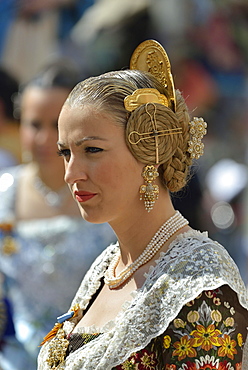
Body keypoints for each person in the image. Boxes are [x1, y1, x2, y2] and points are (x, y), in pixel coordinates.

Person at [38, 40, 248, 370]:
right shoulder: (106, 267)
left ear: (150, 152)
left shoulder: (202, 279)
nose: (71, 174)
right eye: (65, 153)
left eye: (92, 150)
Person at [0, 61, 115, 369]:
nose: (44, 140)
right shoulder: (3, 195)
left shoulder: (107, 191)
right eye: (34, 124)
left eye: (57, 126)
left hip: (95, 355)